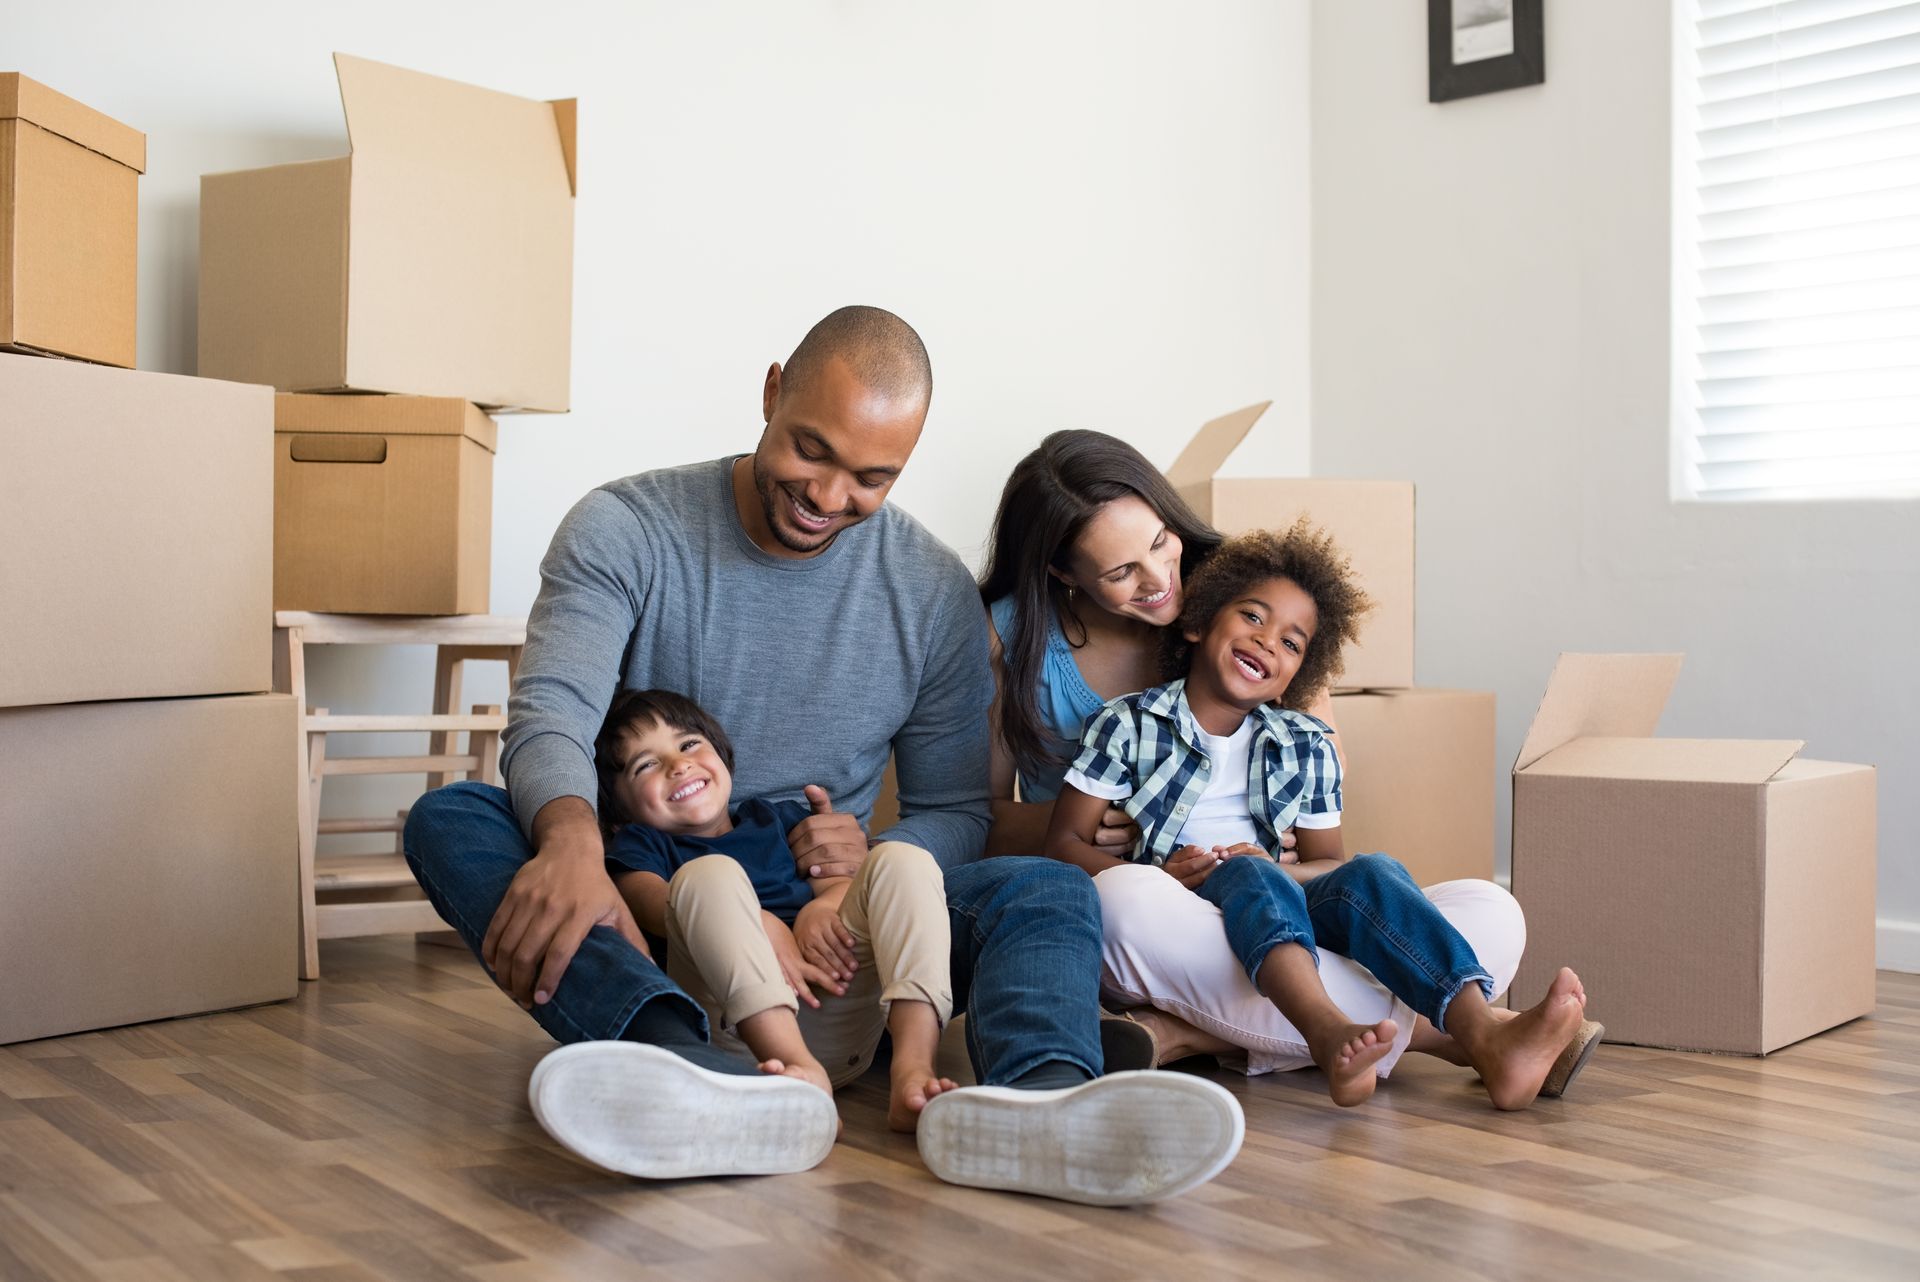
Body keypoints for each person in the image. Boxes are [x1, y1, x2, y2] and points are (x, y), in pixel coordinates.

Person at [404, 307, 1243, 1204]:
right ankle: (674, 1059)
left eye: (871, 477)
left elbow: (957, 808)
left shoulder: (927, 591)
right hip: (654, 899)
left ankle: (1040, 1100)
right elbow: (553, 715)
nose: (829, 496)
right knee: (455, 819)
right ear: (772, 393)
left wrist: (861, 870)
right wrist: (573, 844)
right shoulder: (625, 529)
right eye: (812, 450)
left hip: (842, 937)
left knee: (1045, 886)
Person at [978, 430, 1598, 1095]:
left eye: (1160, 543)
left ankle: (1185, 1033)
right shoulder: (1035, 654)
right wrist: (1104, 828)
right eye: (1122, 571)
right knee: (1128, 901)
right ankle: (1456, 1036)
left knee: (1490, 910)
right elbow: (978, 819)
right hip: (1150, 905)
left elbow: (1320, 816)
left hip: (1278, 894)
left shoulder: (1250, 596)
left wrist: (1282, 865)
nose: (1163, 582)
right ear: (1064, 574)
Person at [593, 686, 956, 1131]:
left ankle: (913, 1069)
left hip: (840, 1007)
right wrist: (759, 922)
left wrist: (821, 908)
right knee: (709, 874)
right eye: (646, 764)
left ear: (723, 757)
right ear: (618, 810)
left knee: (903, 860)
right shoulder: (640, 846)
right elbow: (651, 907)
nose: (678, 764)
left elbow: (841, 883)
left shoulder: (777, 818)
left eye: (689, 744)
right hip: (742, 1035)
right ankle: (799, 1073)